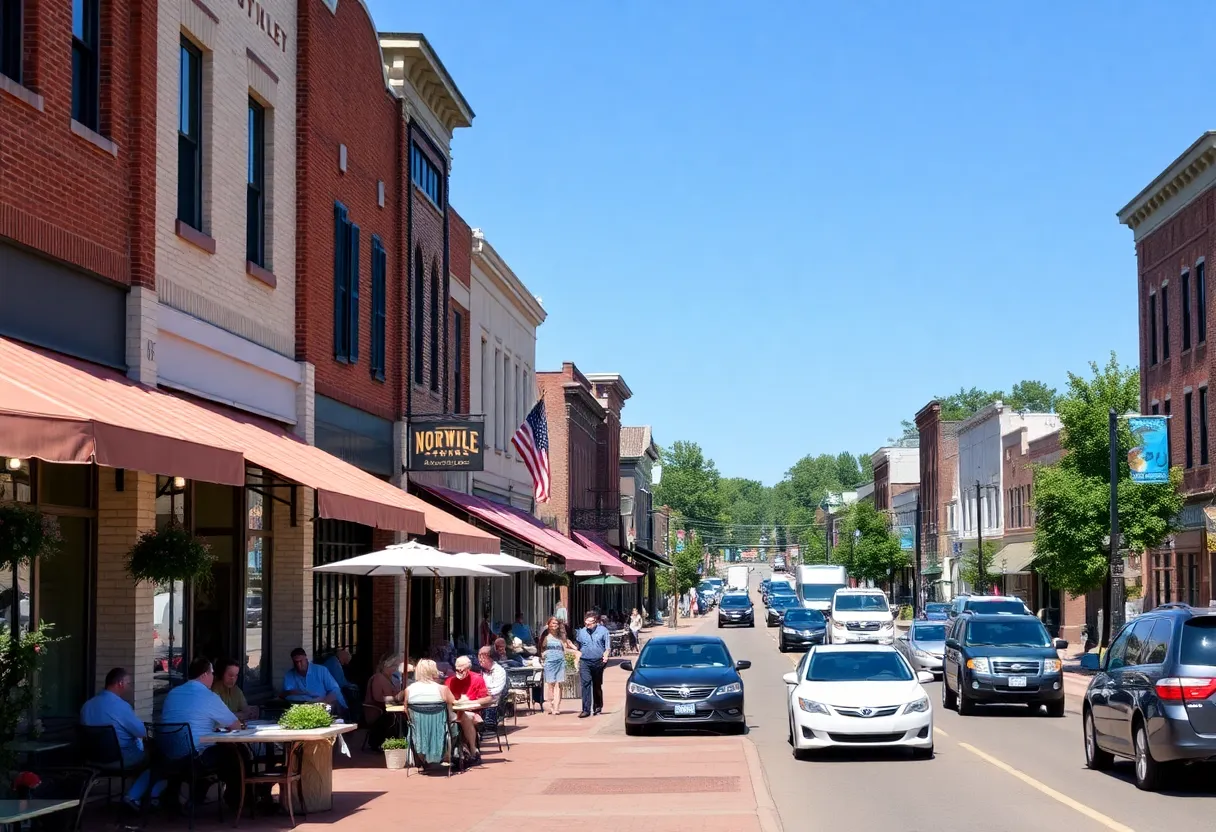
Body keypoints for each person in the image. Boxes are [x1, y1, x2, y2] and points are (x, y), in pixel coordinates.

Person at [160, 658, 246, 811]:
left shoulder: (173, 693)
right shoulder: (209, 696)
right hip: (194, 758)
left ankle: (183, 798)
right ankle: (236, 802)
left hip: (168, 755)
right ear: (204, 675)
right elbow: (235, 725)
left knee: (209, 752)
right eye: (212, 673)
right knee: (235, 753)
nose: (213, 677)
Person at [80, 668, 164, 811]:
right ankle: (136, 796)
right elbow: (141, 732)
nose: (128, 687)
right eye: (128, 683)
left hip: (93, 759)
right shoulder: (121, 706)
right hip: (121, 758)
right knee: (159, 760)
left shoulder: (87, 706)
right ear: (120, 683)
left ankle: (137, 793)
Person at [444, 655, 493, 759]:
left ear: (468, 668)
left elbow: (488, 699)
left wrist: (472, 702)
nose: (459, 670)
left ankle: (472, 748)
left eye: (462, 668)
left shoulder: (477, 679)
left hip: (471, 711)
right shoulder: (450, 681)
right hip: (453, 712)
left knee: (465, 716)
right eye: (457, 668)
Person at [282, 648, 346, 715]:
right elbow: (285, 694)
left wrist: (323, 702)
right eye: (296, 662)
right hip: (301, 707)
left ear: (306, 659)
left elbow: (335, 690)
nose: (298, 665)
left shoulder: (321, 670)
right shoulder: (289, 674)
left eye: (301, 661)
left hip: (324, 704)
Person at [364, 653, 404, 751]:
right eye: (395, 666)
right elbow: (378, 698)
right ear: (387, 665)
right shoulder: (378, 678)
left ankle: (399, 741)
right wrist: (395, 699)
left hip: (388, 708)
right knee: (394, 718)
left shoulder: (391, 678)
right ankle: (384, 742)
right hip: (378, 712)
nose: (396, 669)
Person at [574, 610, 611, 718]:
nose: (587, 625)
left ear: (595, 622)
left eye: (589, 623)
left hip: (598, 660)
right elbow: (579, 644)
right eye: (586, 623)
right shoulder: (581, 632)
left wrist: (606, 654)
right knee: (585, 684)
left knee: (596, 684)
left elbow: (607, 646)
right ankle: (585, 709)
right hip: (585, 660)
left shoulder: (603, 631)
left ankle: (597, 706)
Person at [540, 617, 579, 716]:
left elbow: (565, 647)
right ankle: (551, 704)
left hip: (560, 661)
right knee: (550, 685)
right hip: (549, 662)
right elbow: (540, 648)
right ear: (548, 624)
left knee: (558, 684)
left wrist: (575, 650)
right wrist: (543, 656)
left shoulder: (561, 636)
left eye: (556, 623)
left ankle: (556, 707)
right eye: (553, 623)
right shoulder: (545, 635)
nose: (555, 625)